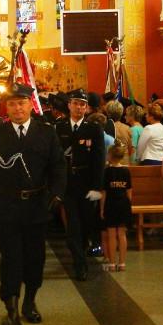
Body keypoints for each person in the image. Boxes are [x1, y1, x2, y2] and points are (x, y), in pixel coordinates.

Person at [0, 83, 66, 325]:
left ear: (31, 105)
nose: (17, 108)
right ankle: (12, 309)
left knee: (35, 258)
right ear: (6, 108)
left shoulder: (46, 132)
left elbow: (58, 166)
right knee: (11, 259)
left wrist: (57, 194)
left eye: (22, 103)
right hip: (6, 206)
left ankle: (30, 301)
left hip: (37, 206)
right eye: (12, 104)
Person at [56, 88, 105, 281]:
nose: (79, 107)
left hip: (86, 183)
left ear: (87, 108)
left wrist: (97, 187)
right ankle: (79, 264)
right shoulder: (59, 127)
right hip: (68, 183)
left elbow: (99, 159)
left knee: (85, 224)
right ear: (69, 105)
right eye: (75, 103)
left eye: (82, 104)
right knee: (73, 224)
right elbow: (55, 159)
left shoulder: (93, 128)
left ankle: (81, 251)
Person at [100, 141, 132, 272]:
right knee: (122, 234)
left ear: (110, 155)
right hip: (123, 203)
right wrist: (129, 205)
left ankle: (112, 263)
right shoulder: (126, 170)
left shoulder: (106, 172)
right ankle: (122, 263)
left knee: (111, 235)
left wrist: (102, 209)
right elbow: (129, 191)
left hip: (110, 204)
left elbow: (104, 192)